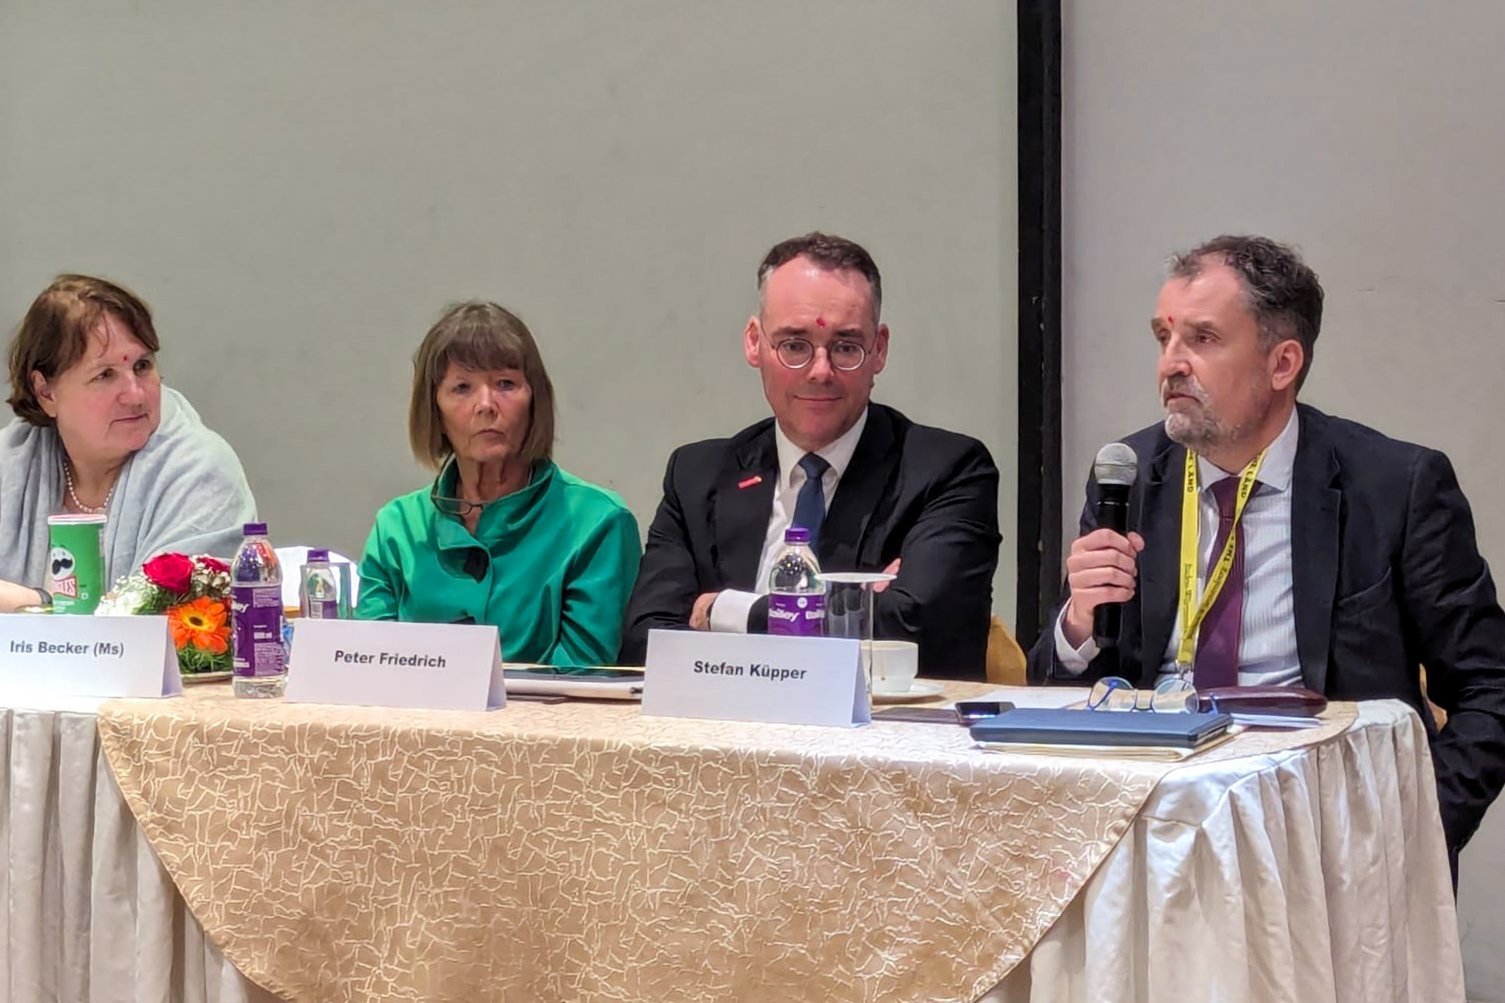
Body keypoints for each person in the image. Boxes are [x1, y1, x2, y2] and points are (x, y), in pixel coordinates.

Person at [1028, 234, 1505, 853]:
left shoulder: (1395, 487)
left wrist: (1413, 832)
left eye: (1202, 339)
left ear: (1283, 364)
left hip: (1323, 826)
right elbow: (1057, 690)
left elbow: (1488, 688)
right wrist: (1078, 625)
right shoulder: (1131, 475)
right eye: (1163, 338)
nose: (1171, 363)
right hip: (1151, 820)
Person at [620, 232, 1000, 678]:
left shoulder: (946, 471)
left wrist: (726, 610)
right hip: (721, 736)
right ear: (753, 343)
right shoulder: (697, 476)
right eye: (795, 345)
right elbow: (646, 645)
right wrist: (854, 607)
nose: (821, 371)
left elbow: (917, 629)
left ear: (879, 349)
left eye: (846, 347)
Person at [356, 301, 640, 667]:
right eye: (462, 388)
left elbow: (579, 679)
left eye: (506, 384)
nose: (486, 405)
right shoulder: (396, 526)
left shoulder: (599, 523)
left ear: (534, 399)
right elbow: (370, 666)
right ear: (435, 411)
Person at [0, 274, 256, 610]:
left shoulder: (202, 473)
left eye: (142, 366)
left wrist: (37, 605)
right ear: (46, 391)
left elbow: (172, 622)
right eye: (104, 375)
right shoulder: (12, 459)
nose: (135, 395)